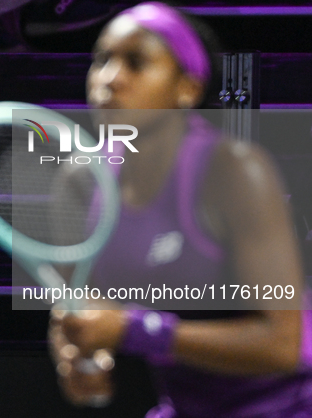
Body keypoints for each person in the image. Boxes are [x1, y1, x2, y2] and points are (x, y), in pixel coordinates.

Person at [48, 2, 312, 417]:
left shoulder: (234, 172)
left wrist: (135, 330)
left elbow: (282, 346)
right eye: (101, 60)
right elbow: (77, 305)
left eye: (136, 62)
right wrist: (78, 358)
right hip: (188, 405)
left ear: (186, 89)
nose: (109, 79)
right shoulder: (80, 182)